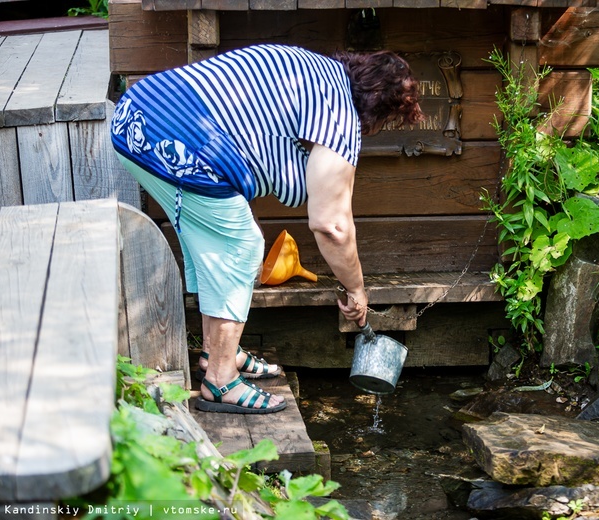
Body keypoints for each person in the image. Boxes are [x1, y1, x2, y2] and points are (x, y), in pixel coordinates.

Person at [111, 44, 423, 414]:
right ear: (379, 109)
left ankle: (216, 355)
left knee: (215, 241)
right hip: (175, 137)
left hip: (133, 119)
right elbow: (332, 225)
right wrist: (356, 290)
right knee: (241, 246)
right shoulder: (339, 118)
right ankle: (221, 381)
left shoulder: (314, 71)